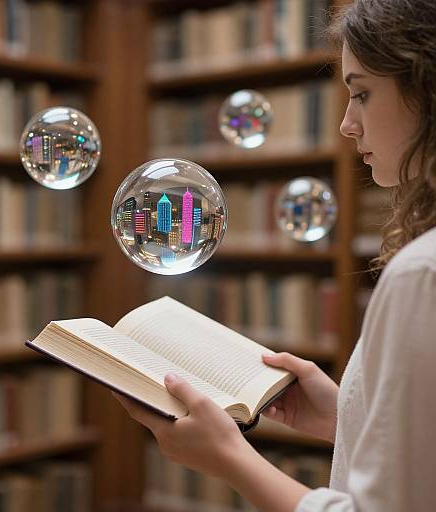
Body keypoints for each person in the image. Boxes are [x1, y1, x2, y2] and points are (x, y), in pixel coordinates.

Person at [113, 0, 436, 510]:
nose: (347, 125)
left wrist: (229, 458)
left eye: (363, 94)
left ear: (427, 89)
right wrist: (346, 417)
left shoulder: (423, 272)